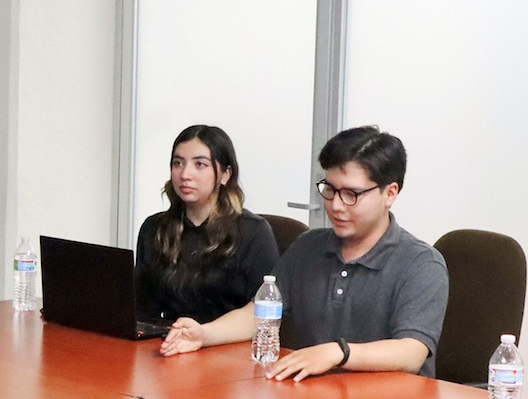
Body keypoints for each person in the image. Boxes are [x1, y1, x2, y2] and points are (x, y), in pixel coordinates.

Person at [159, 126, 449, 381]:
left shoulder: (420, 264)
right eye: (330, 190)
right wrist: (204, 334)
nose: (336, 205)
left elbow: (411, 352)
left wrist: (338, 353)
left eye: (352, 194)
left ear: (390, 193)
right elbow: (260, 315)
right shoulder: (308, 247)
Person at [135, 125, 279, 324]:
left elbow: (263, 313)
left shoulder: (253, 232)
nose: (185, 174)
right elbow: (142, 309)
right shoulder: (154, 229)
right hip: (170, 341)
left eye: (200, 165)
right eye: (178, 163)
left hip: (229, 345)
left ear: (225, 174)